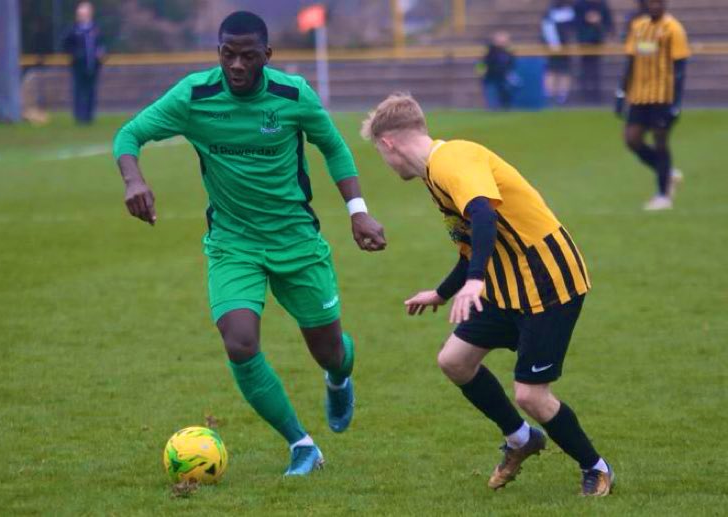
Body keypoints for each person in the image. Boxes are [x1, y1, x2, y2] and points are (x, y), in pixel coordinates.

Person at [113, 11, 386, 476]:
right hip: (232, 242)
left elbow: (334, 147)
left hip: (296, 241)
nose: (236, 65)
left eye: (248, 56)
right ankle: (302, 445)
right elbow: (130, 133)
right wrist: (133, 179)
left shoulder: (292, 95)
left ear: (267, 56)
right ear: (217, 51)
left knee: (329, 351)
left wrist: (358, 211)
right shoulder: (194, 96)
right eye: (227, 54)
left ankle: (339, 377)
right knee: (239, 342)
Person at [361, 92, 614, 496]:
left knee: (531, 394)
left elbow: (483, 214)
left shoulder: (452, 161)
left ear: (388, 143)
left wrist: (476, 281)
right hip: (506, 282)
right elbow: (471, 242)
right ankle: (520, 439)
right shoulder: (434, 174)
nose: (385, 163)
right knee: (454, 361)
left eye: (380, 153)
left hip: (548, 280)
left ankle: (596, 467)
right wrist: (443, 293)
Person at [615, 0, 689, 210]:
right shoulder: (639, 27)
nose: (655, 5)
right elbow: (630, 63)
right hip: (639, 96)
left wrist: (676, 103)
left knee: (660, 141)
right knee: (632, 139)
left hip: (663, 97)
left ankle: (663, 195)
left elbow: (680, 69)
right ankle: (667, 172)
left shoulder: (673, 29)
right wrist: (622, 92)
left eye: (659, 2)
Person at [62, 2, 105, 124]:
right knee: (79, 91)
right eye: (81, 13)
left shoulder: (96, 28)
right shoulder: (73, 29)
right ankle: (79, 117)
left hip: (93, 65)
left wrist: (101, 53)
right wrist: (75, 55)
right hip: (78, 66)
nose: (83, 16)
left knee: (91, 91)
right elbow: (66, 45)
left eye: (85, 13)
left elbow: (102, 44)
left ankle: (89, 116)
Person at [574, 0, 613, 104]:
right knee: (585, 69)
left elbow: (608, 25)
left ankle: (596, 95)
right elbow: (575, 24)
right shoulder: (580, 4)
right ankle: (584, 95)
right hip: (584, 43)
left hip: (597, 43)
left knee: (596, 69)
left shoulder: (602, 5)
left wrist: (598, 22)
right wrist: (586, 19)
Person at [541, 0, 576, 105]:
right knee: (552, 71)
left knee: (564, 71)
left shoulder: (571, 13)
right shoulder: (550, 14)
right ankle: (550, 95)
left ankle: (562, 95)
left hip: (565, 47)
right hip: (553, 48)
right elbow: (547, 28)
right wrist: (554, 44)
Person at [476, 31, 520, 110]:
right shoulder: (489, 50)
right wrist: (481, 72)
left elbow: (512, 63)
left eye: (503, 39)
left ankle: (506, 108)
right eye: (499, 39)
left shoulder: (509, 50)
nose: (501, 41)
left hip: (503, 77)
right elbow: (481, 62)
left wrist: (510, 74)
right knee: (491, 97)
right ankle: (493, 109)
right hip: (490, 76)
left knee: (505, 94)